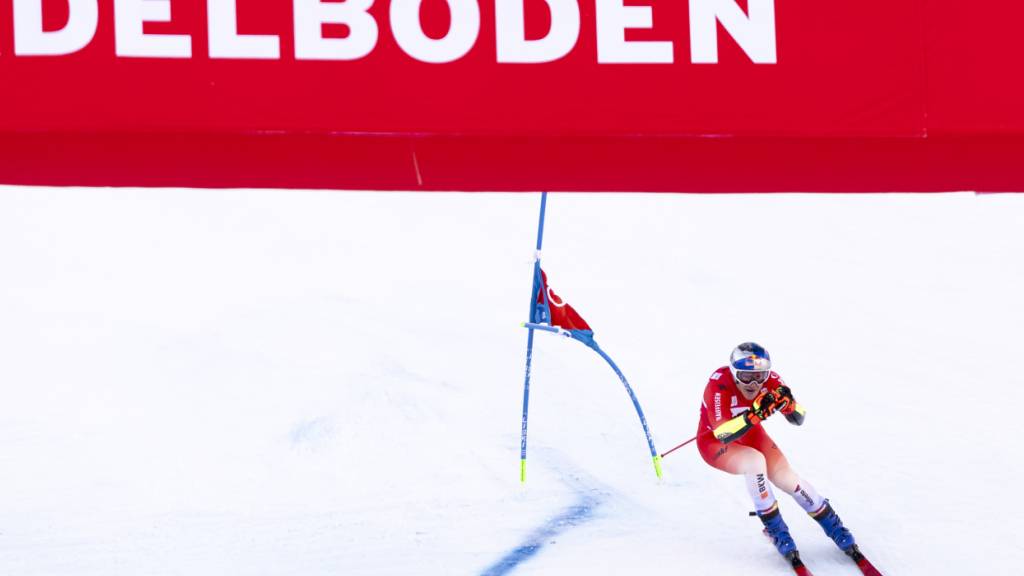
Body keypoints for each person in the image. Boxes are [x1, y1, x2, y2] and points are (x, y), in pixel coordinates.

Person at [697, 342, 861, 567]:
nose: (754, 384)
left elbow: (799, 417)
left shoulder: (772, 381)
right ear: (734, 373)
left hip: (751, 434)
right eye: (746, 377)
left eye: (760, 376)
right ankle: (778, 531)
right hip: (715, 444)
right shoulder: (719, 384)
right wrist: (754, 415)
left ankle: (835, 527)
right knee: (755, 462)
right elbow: (723, 432)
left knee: (788, 479)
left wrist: (788, 405)